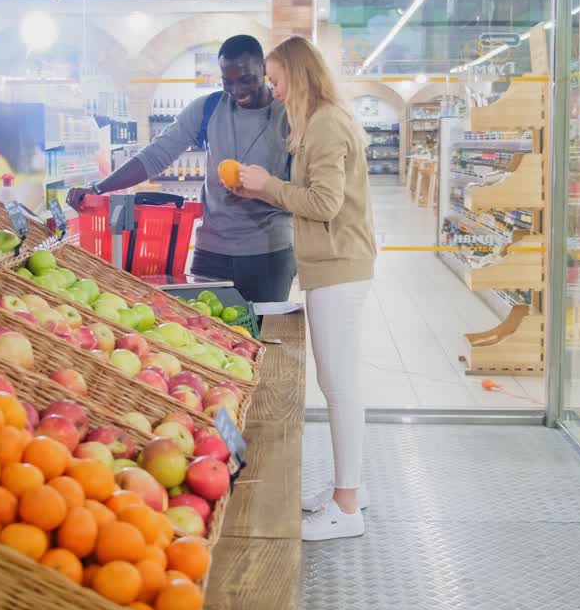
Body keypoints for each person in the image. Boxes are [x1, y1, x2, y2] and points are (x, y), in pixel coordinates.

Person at [232, 36, 376, 541]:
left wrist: (268, 184)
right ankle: (344, 489)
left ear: (298, 73)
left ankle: (348, 506)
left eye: (276, 78)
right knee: (337, 385)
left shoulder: (326, 125)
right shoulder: (315, 123)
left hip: (339, 266)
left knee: (339, 387)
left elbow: (325, 203)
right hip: (327, 265)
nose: (272, 88)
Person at [66, 35, 296, 302]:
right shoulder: (209, 108)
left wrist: (262, 189)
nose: (236, 90)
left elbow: (304, 194)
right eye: (227, 81)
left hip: (268, 254)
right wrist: (98, 187)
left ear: (264, 70)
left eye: (246, 79)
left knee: (265, 335)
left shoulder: (288, 116)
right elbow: (156, 154)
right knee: (205, 333)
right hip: (211, 252)